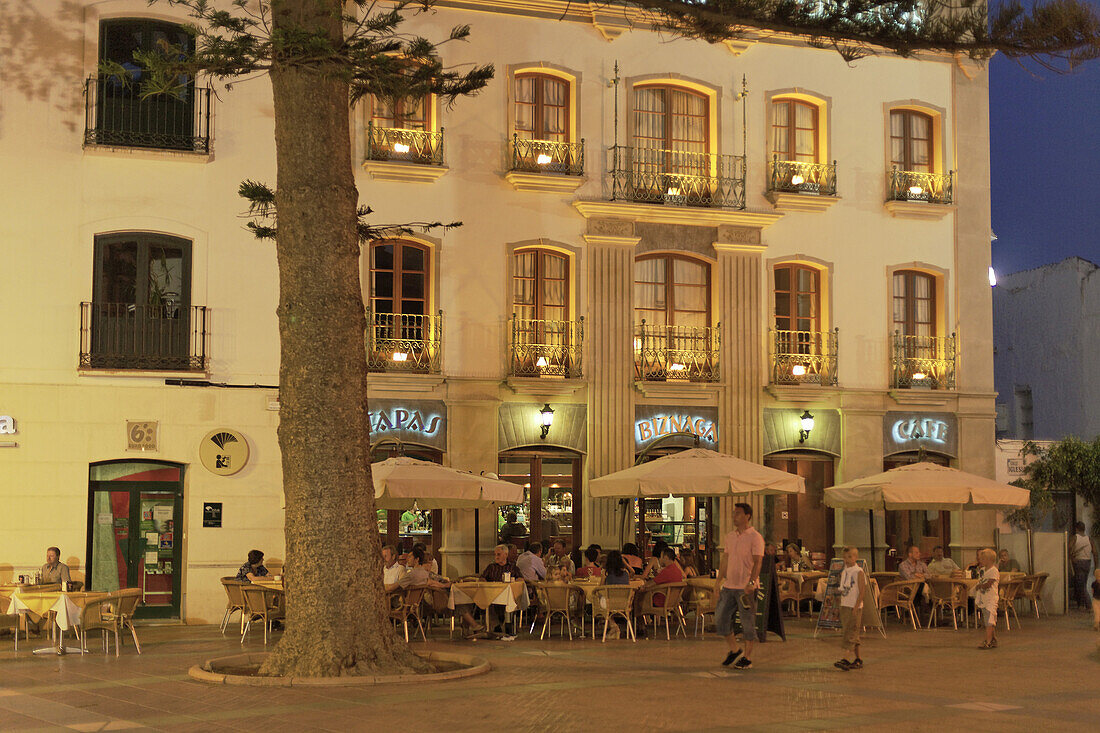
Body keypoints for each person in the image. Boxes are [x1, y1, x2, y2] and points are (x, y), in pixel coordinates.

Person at [714, 502, 764, 671]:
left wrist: (751, 582)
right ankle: (735, 650)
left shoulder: (755, 537)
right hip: (729, 586)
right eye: (734, 513)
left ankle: (747, 658)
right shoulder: (730, 536)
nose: (734, 516)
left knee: (747, 622)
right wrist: (718, 581)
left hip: (745, 589)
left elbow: (758, 562)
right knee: (720, 619)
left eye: (738, 513)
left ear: (747, 516)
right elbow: (725, 559)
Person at [834, 546, 867, 671]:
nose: (847, 560)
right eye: (845, 557)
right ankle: (858, 659)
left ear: (856, 557)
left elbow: (862, 591)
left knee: (851, 632)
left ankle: (846, 658)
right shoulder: (844, 572)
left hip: (854, 606)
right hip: (845, 605)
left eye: (850, 557)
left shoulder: (858, 572)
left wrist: (856, 605)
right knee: (850, 631)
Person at [974, 548, 1000, 649]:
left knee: (989, 621)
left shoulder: (994, 571)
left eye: (983, 559)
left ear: (989, 560)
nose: (980, 561)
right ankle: (993, 639)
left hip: (991, 600)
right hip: (984, 599)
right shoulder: (982, 570)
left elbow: (988, 584)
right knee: (988, 620)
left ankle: (988, 641)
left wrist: (980, 586)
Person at [1070, 522, 1097, 611]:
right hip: (1087, 563)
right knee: (1081, 583)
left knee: (1081, 585)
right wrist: (1096, 566)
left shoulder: (1075, 538)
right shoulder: (1089, 539)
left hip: (1078, 562)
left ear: (1076, 529)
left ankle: (1089, 605)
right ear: (1084, 529)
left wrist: (1071, 558)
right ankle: (1080, 605)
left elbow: (1069, 548)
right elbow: (1095, 552)